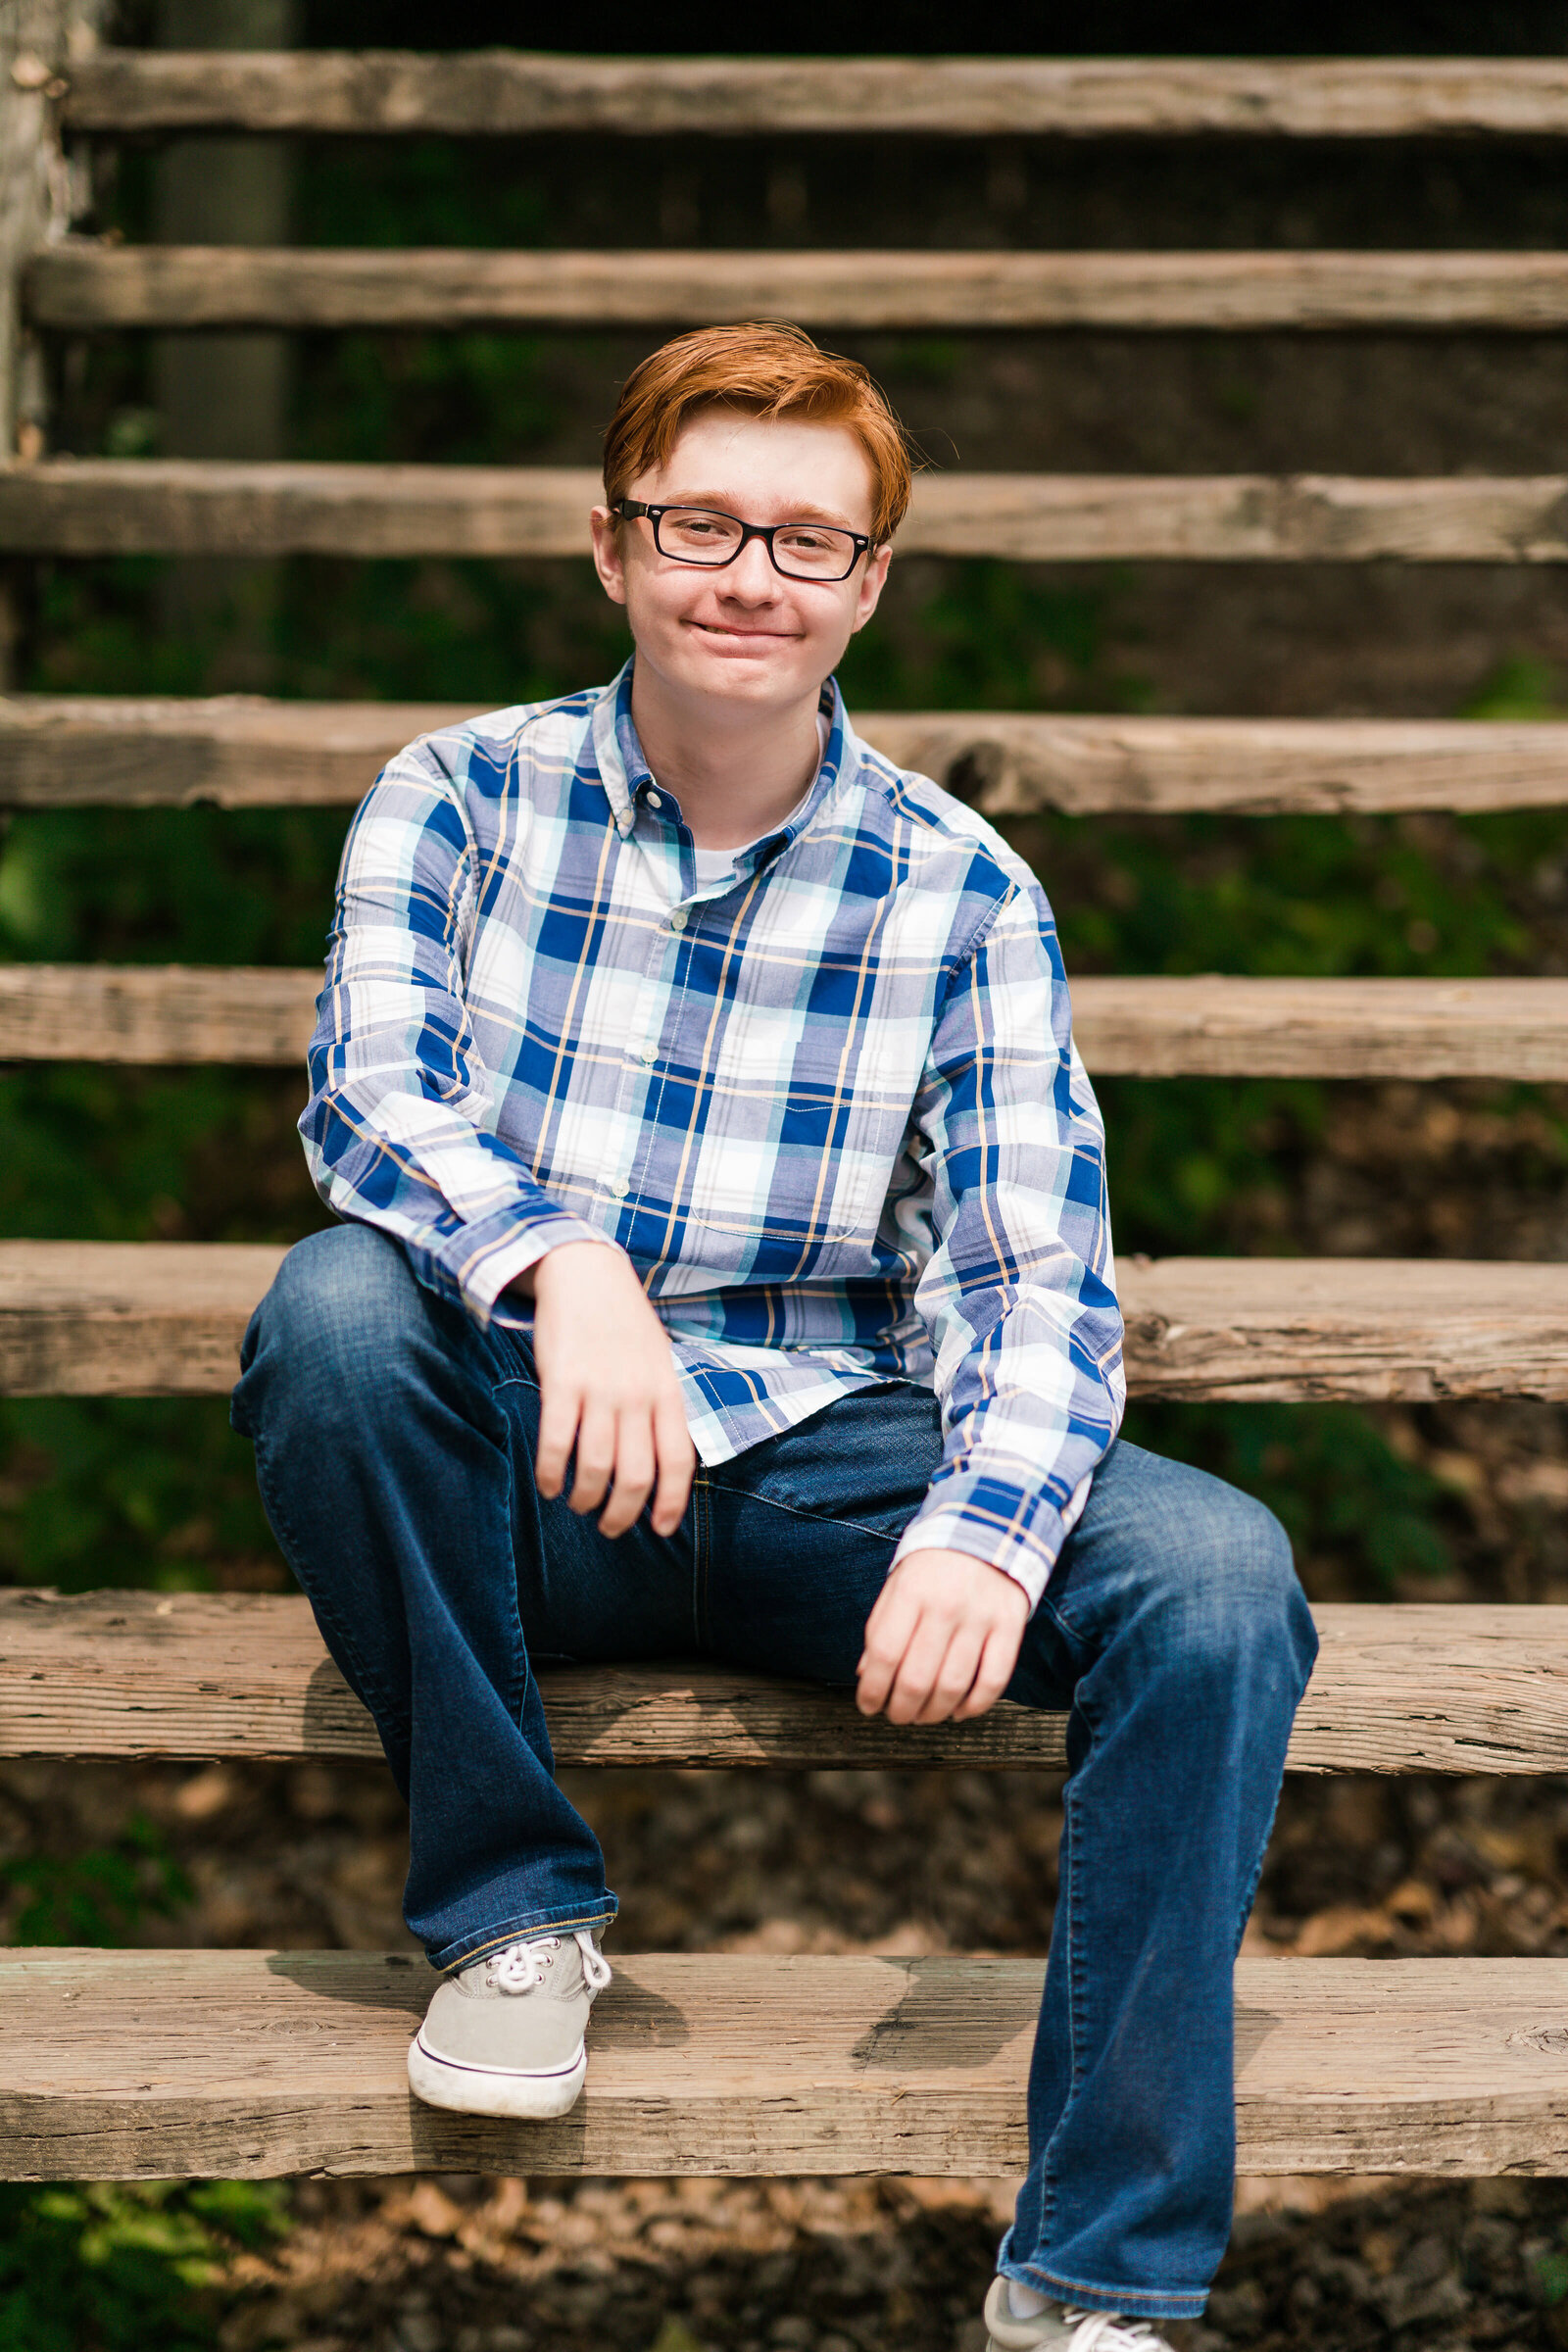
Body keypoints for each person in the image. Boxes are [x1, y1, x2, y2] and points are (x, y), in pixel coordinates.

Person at [231, 321, 1317, 2352]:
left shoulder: (956, 889)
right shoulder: (458, 798)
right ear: (610, 549)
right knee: (335, 1309)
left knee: (1212, 1573)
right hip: (535, 1462)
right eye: (701, 524)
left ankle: (1094, 2284)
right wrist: (568, 1268)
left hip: (830, 1470)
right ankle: (512, 1914)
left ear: (868, 583)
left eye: (806, 541)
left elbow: (1025, 1274)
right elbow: (370, 1100)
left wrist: (986, 1526)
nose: (750, 575)